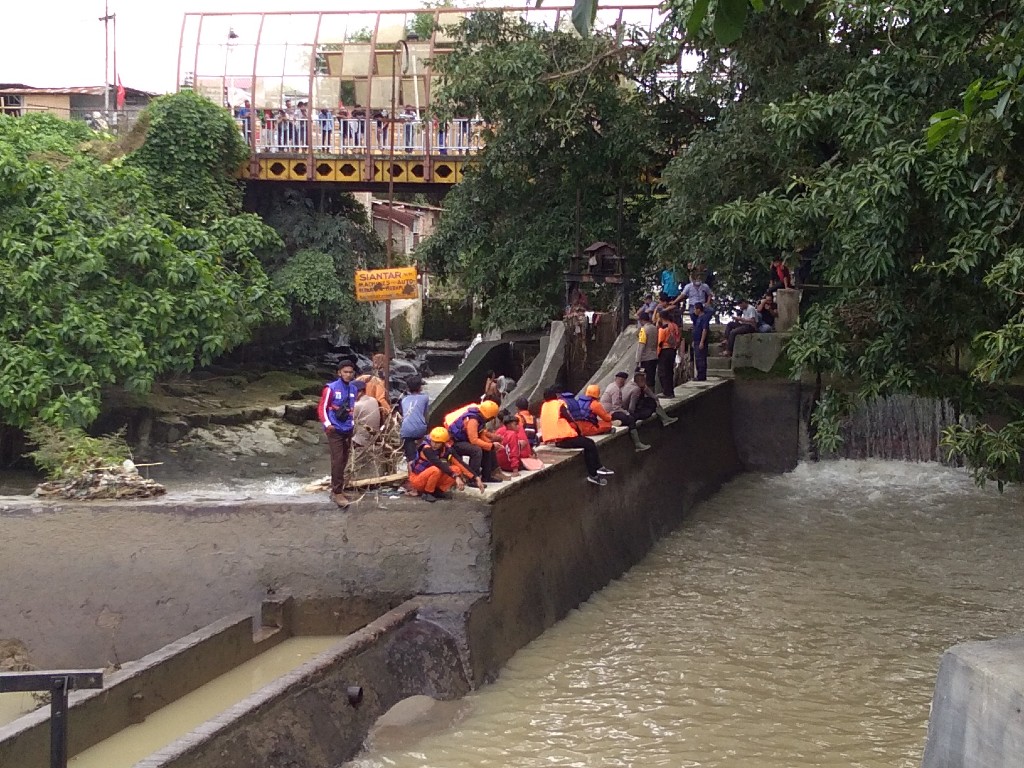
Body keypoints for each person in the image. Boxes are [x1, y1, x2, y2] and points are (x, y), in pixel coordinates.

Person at [540, 387, 613, 486]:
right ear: (556, 396)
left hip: (555, 440)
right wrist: (578, 432)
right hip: (565, 438)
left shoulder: (544, 407)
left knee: (587, 443)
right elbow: (571, 420)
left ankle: (598, 469)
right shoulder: (559, 405)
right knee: (589, 444)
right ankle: (594, 473)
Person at [317, 359, 357, 508]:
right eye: (345, 372)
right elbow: (322, 408)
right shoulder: (331, 388)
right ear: (339, 373)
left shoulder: (353, 389)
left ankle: (339, 487)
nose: (348, 375)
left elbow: (353, 409)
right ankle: (337, 492)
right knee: (337, 459)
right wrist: (328, 424)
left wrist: (353, 424)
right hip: (334, 429)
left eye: (350, 372)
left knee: (345, 458)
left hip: (348, 428)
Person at [408, 427, 484, 502]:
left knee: (456, 469)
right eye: (433, 441)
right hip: (418, 479)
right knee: (436, 469)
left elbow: (460, 463)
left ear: (443, 443)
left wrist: (475, 477)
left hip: (432, 478)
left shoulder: (447, 449)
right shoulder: (426, 448)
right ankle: (428, 492)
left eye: (438, 443)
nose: (434, 444)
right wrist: (456, 476)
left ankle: (438, 491)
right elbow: (438, 463)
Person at [443, 399, 505, 482]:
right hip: (455, 443)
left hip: (463, 440)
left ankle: (487, 476)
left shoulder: (479, 417)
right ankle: (473, 478)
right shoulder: (473, 420)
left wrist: (490, 444)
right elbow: (474, 440)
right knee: (476, 450)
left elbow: (481, 433)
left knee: (488, 446)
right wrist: (491, 445)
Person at [600, 372, 651, 452]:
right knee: (630, 419)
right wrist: (626, 413)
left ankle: (616, 422)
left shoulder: (611, 385)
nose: (624, 383)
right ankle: (637, 444)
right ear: (621, 380)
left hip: (607, 412)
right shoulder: (616, 390)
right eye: (624, 381)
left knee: (627, 417)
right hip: (610, 412)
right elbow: (616, 407)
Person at [398, 376, 429, 463]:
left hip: (406, 430)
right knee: (422, 453)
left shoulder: (403, 400)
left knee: (410, 458)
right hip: (420, 429)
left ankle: (411, 473)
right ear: (420, 387)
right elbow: (426, 415)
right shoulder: (425, 398)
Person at [495, 412, 531, 476]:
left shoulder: (499, 431)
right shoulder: (512, 434)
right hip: (510, 466)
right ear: (509, 425)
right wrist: (515, 470)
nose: (518, 426)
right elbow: (513, 452)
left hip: (501, 465)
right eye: (515, 424)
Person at [358, 353, 393, 420]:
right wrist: (389, 411)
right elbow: (380, 398)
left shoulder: (364, 377)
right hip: (372, 409)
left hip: (360, 407)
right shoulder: (379, 379)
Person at [656, 312, 681, 398]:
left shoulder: (663, 328)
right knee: (670, 371)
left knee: (663, 372)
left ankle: (666, 392)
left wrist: (657, 353)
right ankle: (671, 391)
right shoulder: (674, 326)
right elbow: (678, 337)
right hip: (673, 350)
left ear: (661, 318)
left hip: (664, 350)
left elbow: (660, 342)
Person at [635, 311, 659, 387]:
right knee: (651, 377)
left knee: (644, 379)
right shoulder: (655, 328)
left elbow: (641, 345)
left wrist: (637, 360)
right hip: (654, 356)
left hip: (646, 358)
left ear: (642, 320)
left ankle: (646, 396)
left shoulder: (643, 330)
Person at [691, 302, 710, 381]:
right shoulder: (698, 318)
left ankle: (701, 375)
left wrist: (702, 341)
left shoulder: (704, 317)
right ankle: (699, 374)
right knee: (697, 358)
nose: (694, 311)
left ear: (699, 309)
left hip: (700, 340)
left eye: (695, 309)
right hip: (696, 340)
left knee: (701, 358)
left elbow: (704, 329)